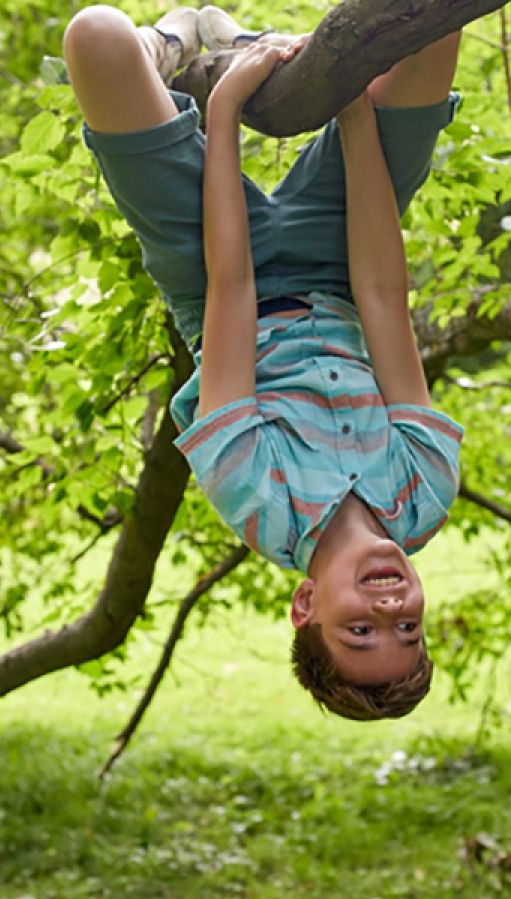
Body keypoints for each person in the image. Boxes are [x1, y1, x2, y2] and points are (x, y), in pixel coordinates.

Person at [63, 5, 464, 720]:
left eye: (360, 629)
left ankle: (174, 49)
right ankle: (254, 51)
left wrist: (223, 110)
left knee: (94, 38)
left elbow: (231, 287)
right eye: (408, 627)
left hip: (211, 269)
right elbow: (380, 293)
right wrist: (350, 110)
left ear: (305, 604)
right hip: (341, 260)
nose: (390, 605)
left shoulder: (256, 500)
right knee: (435, 27)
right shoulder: (424, 492)